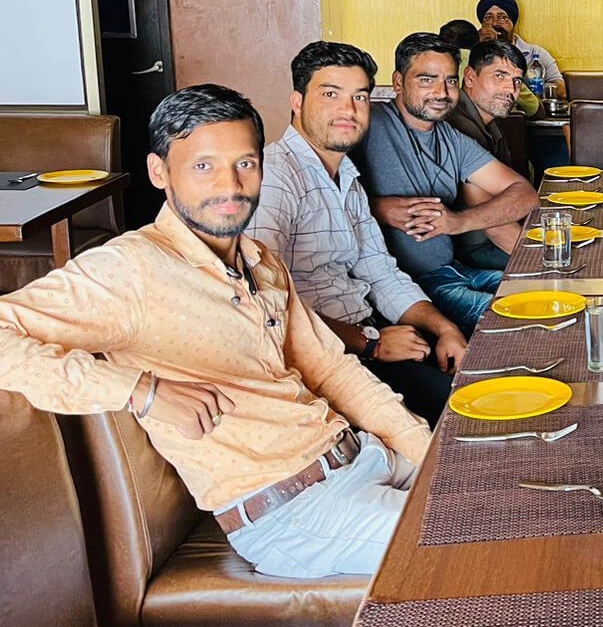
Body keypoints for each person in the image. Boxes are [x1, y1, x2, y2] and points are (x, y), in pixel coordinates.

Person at [0, 84, 430, 578]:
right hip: (294, 512)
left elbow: (331, 370)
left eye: (245, 163)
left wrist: (425, 448)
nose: (230, 185)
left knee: (496, 485)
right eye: (203, 166)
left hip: (362, 459)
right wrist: (142, 391)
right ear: (159, 172)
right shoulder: (130, 269)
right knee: (476, 539)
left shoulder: (260, 260)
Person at [247, 41, 466, 425]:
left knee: (486, 369)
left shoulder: (346, 175)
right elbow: (266, 302)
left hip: (370, 332)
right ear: (297, 101)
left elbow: (380, 273)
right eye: (331, 94)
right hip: (325, 360)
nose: (348, 110)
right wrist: (370, 344)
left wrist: (445, 328)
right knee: (464, 412)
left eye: (360, 97)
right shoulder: (275, 178)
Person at [354, 32, 540, 334]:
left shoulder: (452, 138)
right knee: (523, 320)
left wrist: (457, 222)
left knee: (547, 291)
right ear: (398, 82)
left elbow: (525, 195)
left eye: (449, 81)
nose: (441, 92)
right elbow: (318, 194)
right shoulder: (368, 123)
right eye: (427, 79)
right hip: (409, 284)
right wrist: (379, 208)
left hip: (453, 269)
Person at [446, 39, 537, 270]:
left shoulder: (490, 124)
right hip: (473, 253)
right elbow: (495, 227)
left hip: (498, 236)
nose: (510, 89)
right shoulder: (459, 126)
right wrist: (543, 261)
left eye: (517, 81)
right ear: (469, 77)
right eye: (499, 76)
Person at [476, 0, 565, 99]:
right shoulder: (472, 53)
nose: (495, 23)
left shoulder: (536, 53)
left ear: (513, 23)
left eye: (502, 18)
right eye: (488, 18)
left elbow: (561, 91)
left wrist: (533, 89)